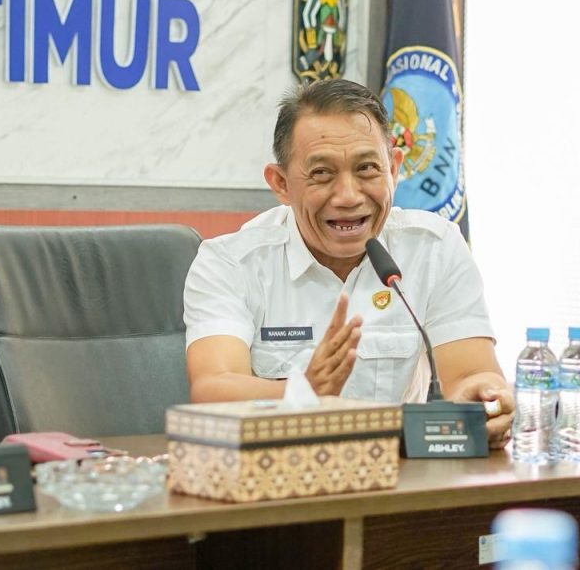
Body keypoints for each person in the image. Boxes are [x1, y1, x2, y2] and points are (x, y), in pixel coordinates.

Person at [185, 79, 515, 449]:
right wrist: (303, 393)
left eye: (367, 169)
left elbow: (471, 373)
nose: (348, 196)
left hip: (400, 473)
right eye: (322, 173)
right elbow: (212, 389)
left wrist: (486, 398)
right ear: (281, 184)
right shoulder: (231, 263)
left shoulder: (434, 249)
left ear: (394, 169)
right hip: (279, 470)